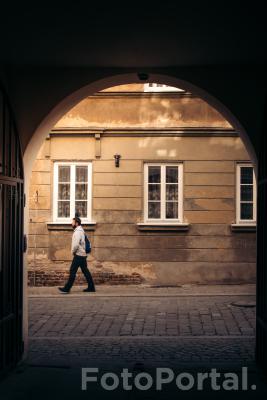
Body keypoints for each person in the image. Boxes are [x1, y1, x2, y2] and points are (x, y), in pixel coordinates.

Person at [58, 216, 95, 293]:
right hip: (83, 254)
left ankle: (67, 288)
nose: (71, 223)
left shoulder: (78, 232)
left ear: (76, 223)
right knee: (85, 271)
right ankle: (91, 287)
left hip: (79, 255)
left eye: (73, 222)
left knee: (72, 271)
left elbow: (76, 245)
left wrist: (73, 252)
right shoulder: (81, 230)